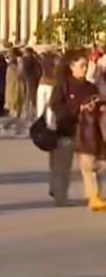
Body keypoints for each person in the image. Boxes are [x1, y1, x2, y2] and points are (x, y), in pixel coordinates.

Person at [47, 51, 103, 210]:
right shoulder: (63, 86)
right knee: (61, 166)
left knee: (90, 165)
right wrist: (77, 108)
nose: (85, 69)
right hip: (66, 130)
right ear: (72, 67)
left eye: (86, 66)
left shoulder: (91, 87)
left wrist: (97, 108)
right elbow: (55, 106)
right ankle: (60, 195)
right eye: (82, 66)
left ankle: (94, 196)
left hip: (87, 132)